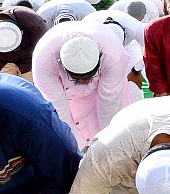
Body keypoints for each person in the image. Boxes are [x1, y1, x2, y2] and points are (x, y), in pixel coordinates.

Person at [31, 20, 131, 150]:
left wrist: (105, 142)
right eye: (78, 79)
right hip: (68, 96)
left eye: (89, 77)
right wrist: (74, 146)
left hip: (106, 88)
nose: (84, 83)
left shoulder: (111, 53)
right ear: (61, 65)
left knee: (113, 134)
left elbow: (110, 100)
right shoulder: (44, 60)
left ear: (99, 59)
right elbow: (58, 109)